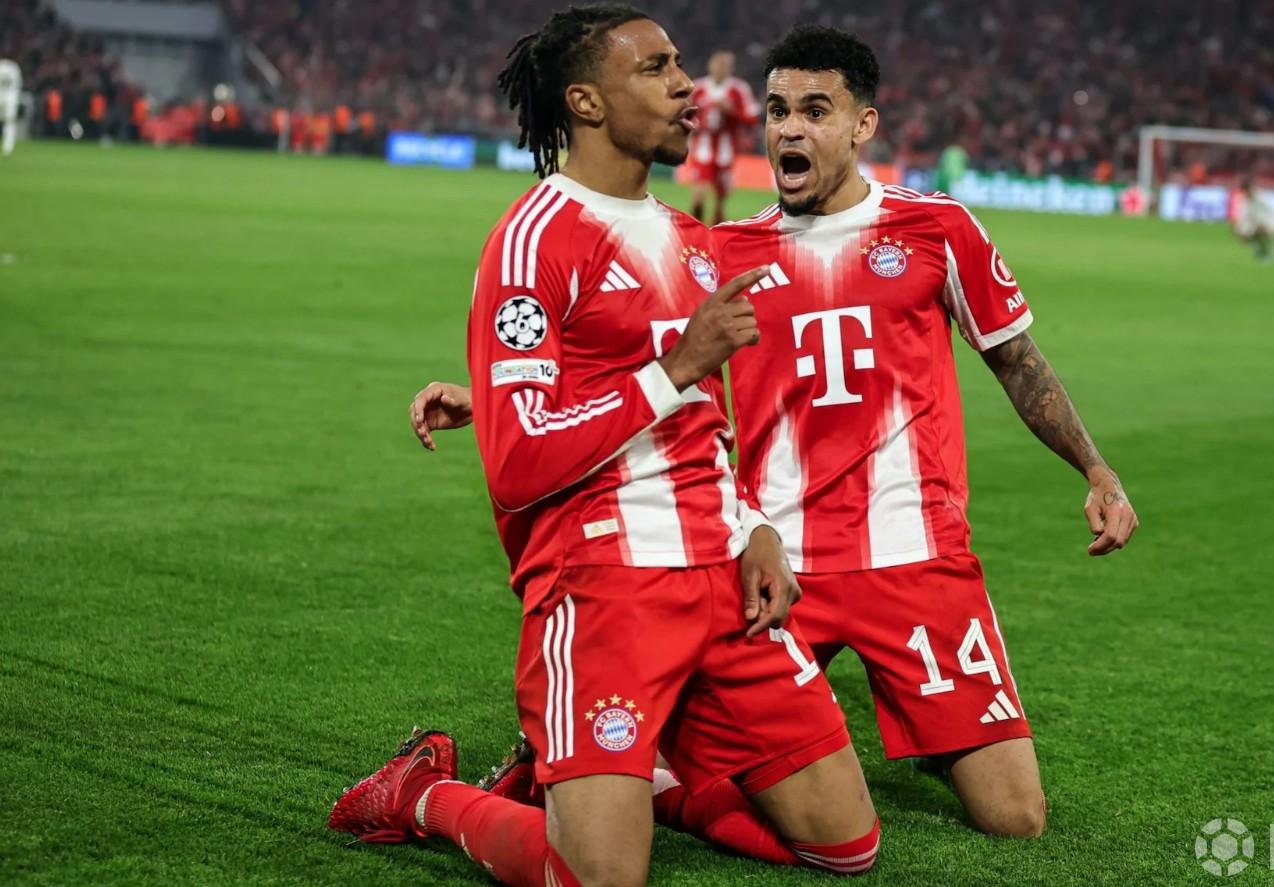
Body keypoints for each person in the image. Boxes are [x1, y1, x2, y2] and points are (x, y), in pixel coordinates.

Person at [411, 23, 1138, 842]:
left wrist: (1096, 469)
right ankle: (565, 762)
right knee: (675, 767)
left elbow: (1016, 360)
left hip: (915, 553)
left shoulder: (936, 229)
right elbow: (644, 345)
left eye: (814, 112)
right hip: (775, 559)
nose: (789, 129)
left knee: (1014, 817)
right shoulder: (721, 251)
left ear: (860, 125)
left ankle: (928, 731)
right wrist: (487, 394)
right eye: (778, 110)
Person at [330, 7, 880, 886]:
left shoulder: (689, 240)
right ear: (585, 102)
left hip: (720, 577)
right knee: (597, 879)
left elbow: (705, 424)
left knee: (846, 846)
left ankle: (639, 780)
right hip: (602, 585)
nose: (685, 85)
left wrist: (754, 531)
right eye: (655, 69)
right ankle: (423, 793)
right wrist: (675, 365)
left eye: (679, 64)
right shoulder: (534, 239)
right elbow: (517, 464)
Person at [687, 50, 756, 224]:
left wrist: (732, 111)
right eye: (718, 65)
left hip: (726, 151)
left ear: (730, 69)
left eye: (725, 66)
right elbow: (685, 114)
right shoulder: (698, 88)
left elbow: (752, 118)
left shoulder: (739, 89)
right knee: (698, 197)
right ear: (710, 66)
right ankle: (695, 230)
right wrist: (695, 125)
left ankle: (715, 232)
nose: (720, 69)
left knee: (720, 201)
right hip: (702, 149)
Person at [1234, 179, 1274, 262]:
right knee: (1244, 233)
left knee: (1261, 231)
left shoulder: (1263, 198)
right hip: (1255, 225)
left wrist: (1263, 224)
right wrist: (1239, 230)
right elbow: (1244, 217)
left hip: (1271, 224)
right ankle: (1259, 250)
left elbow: (1272, 214)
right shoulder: (1245, 201)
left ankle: (1269, 250)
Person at [0, 60, 21, 157]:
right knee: (10, 123)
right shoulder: (14, 67)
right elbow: (18, 85)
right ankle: (8, 148)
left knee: (9, 122)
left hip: (4, 97)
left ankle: (7, 148)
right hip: (11, 98)